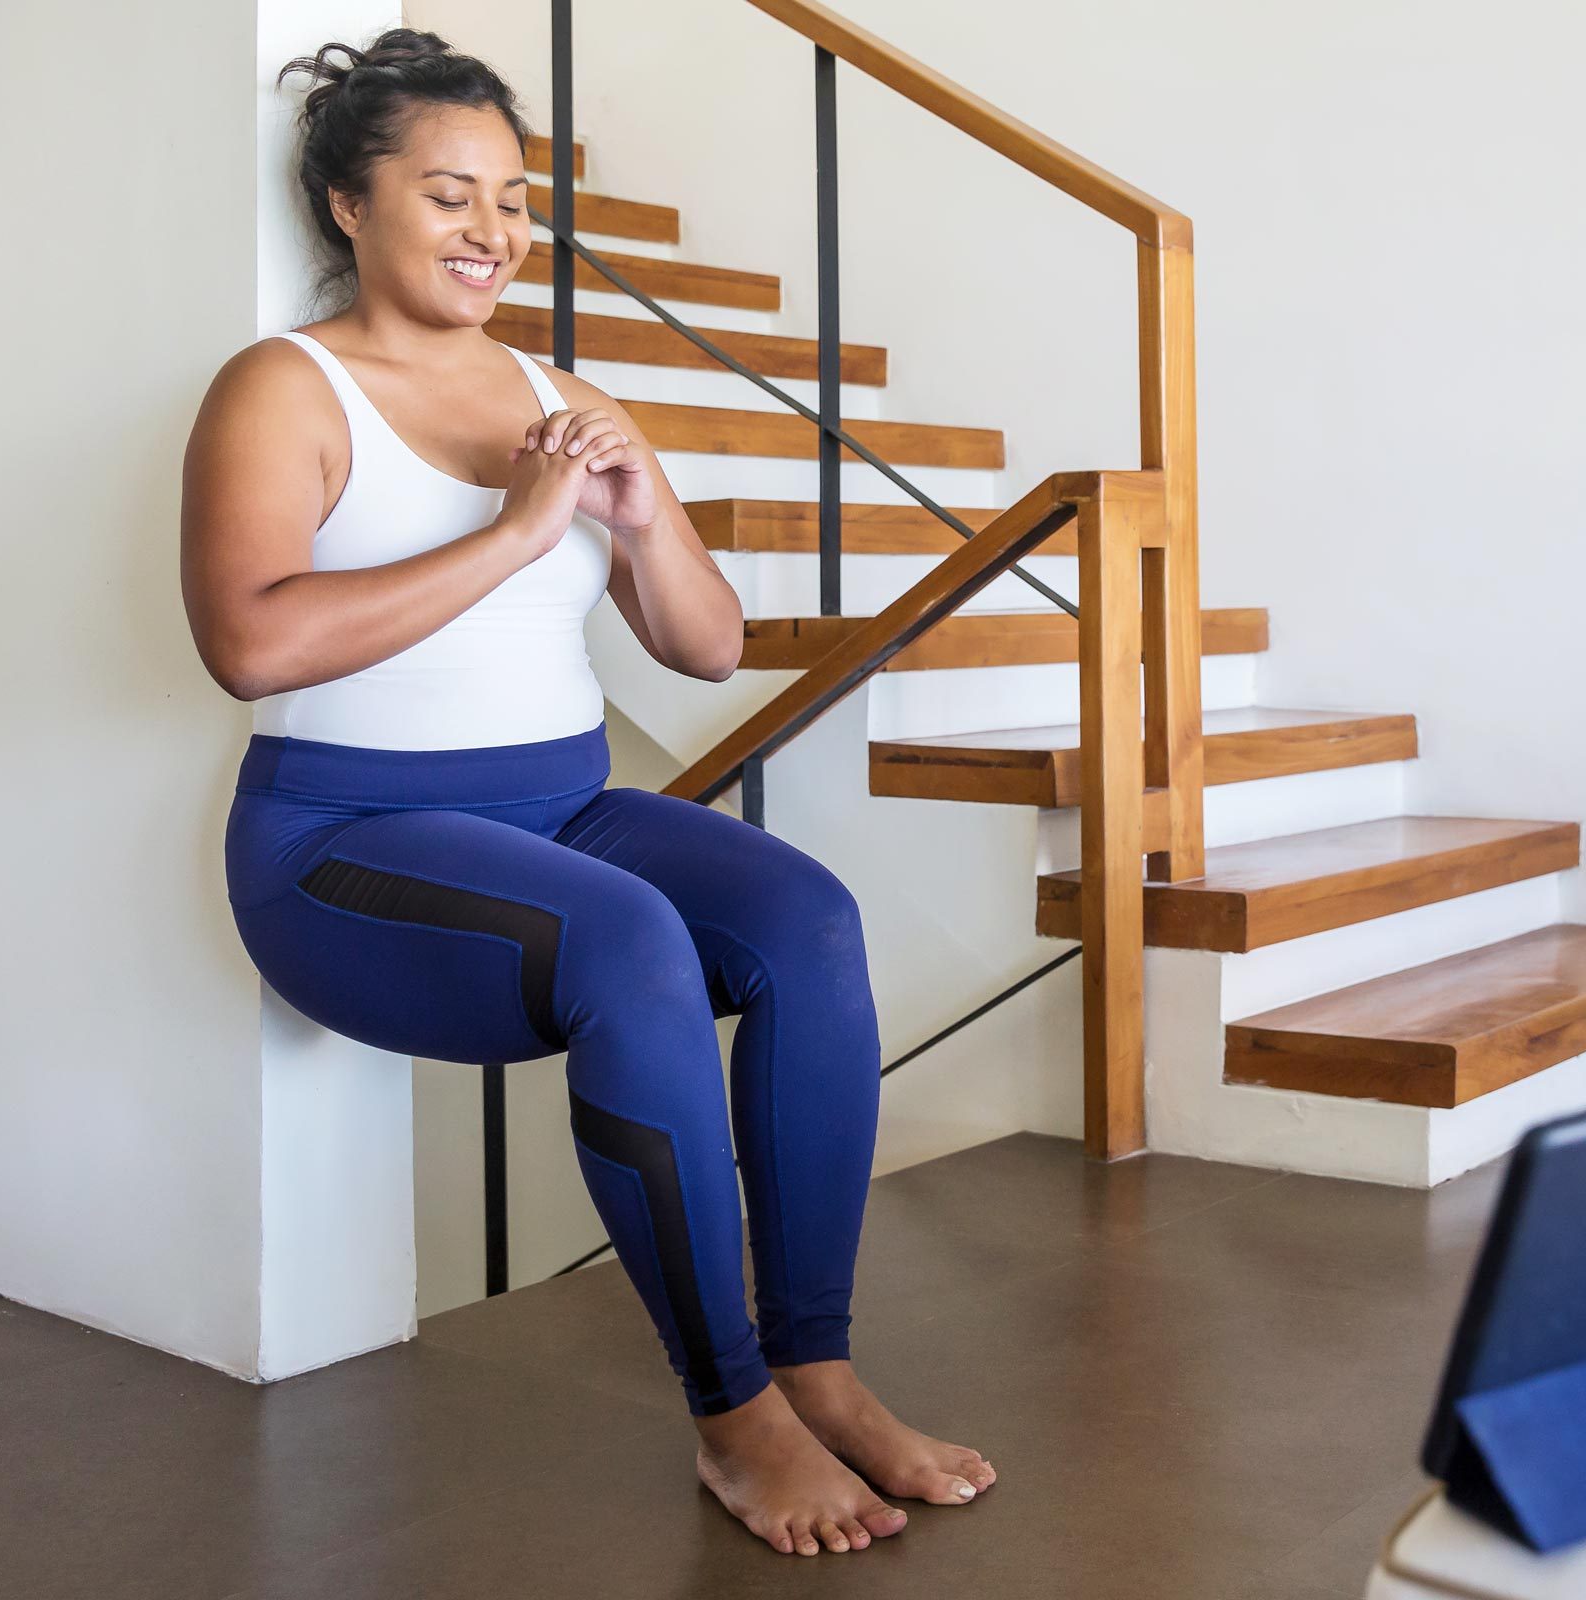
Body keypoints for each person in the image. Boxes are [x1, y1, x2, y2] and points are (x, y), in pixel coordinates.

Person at [178, 25, 995, 1559]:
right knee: (626, 940)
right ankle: (733, 1414)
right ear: (350, 206)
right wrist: (512, 527)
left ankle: (815, 1362)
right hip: (341, 845)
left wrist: (633, 512)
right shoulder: (283, 389)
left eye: (513, 198)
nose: (493, 230)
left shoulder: (557, 389)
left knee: (803, 914)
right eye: (449, 194)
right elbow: (247, 642)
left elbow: (706, 645)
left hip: (558, 810)